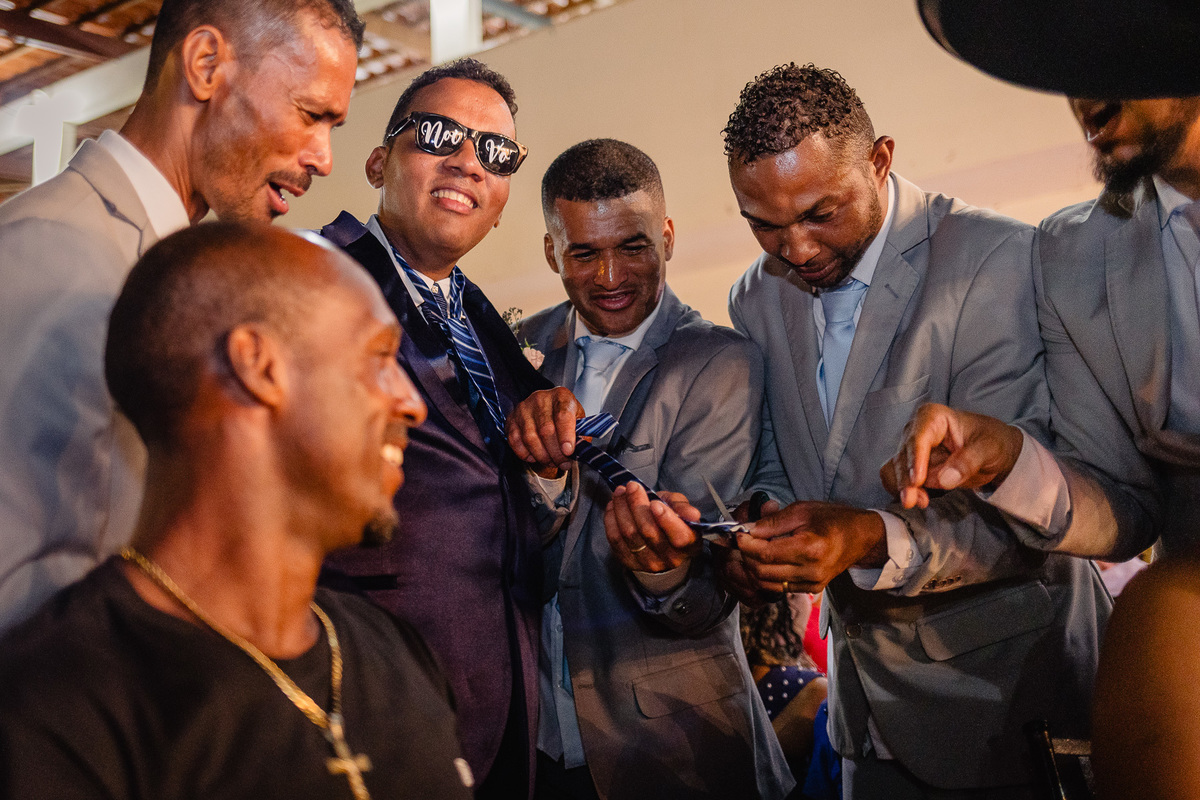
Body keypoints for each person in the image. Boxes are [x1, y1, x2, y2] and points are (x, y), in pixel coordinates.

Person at [711, 63, 1108, 797]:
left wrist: (868, 537)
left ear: (880, 159)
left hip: (1010, 699)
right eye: (763, 224)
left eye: (821, 214)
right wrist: (760, 528)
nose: (795, 249)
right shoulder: (755, 298)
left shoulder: (995, 259)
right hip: (858, 711)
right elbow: (779, 460)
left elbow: (1034, 504)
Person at [0, 222, 474, 799]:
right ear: (259, 366)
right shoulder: (58, 709)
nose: (411, 403)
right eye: (379, 357)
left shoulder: (395, 652)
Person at [0, 0, 363, 633]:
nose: (323, 158)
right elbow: (16, 584)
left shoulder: (172, 265)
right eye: (311, 115)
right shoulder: (54, 251)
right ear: (205, 65)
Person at [318, 59, 581, 799]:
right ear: (379, 162)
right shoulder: (316, 280)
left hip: (501, 697)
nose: (468, 161)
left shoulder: (481, 319)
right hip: (369, 695)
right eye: (438, 135)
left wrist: (548, 469)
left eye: (496, 152)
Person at [513, 138, 792, 799]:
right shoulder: (516, 349)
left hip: (674, 744)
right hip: (534, 742)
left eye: (633, 246)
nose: (611, 275)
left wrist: (664, 565)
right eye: (584, 253)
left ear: (667, 236)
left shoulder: (722, 363)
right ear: (552, 251)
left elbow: (704, 594)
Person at [886, 96, 1200, 559]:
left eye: (1109, 54)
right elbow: (1126, 505)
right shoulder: (1071, 252)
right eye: (1060, 67)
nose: (1082, 95)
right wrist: (1011, 460)